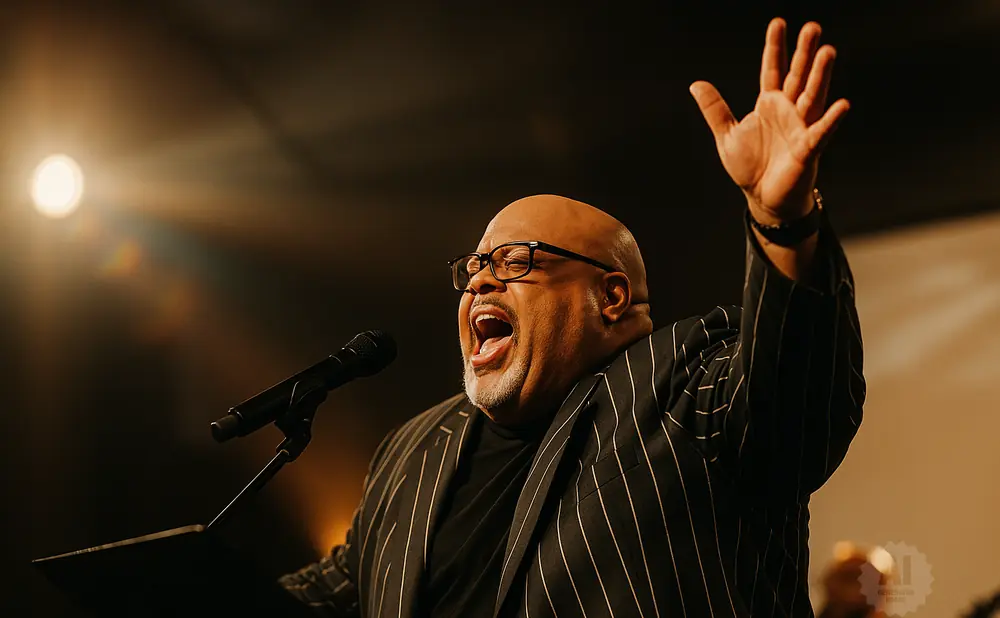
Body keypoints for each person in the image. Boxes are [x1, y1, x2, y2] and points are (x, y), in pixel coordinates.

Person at [279, 17, 865, 618]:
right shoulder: (412, 450)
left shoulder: (682, 385)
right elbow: (322, 598)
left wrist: (782, 220)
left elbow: (793, 402)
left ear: (611, 297)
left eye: (513, 261)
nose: (479, 281)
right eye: (474, 267)